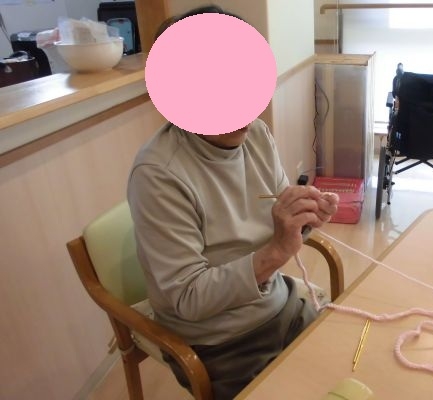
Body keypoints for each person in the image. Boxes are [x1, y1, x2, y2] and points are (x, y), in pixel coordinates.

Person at [127, 5, 339, 399]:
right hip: (220, 341)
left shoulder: (256, 134)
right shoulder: (159, 174)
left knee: (345, 372)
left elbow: (280, 222)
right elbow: (187, 298)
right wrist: (276, 252)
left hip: (280, 304)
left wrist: (305, 217)